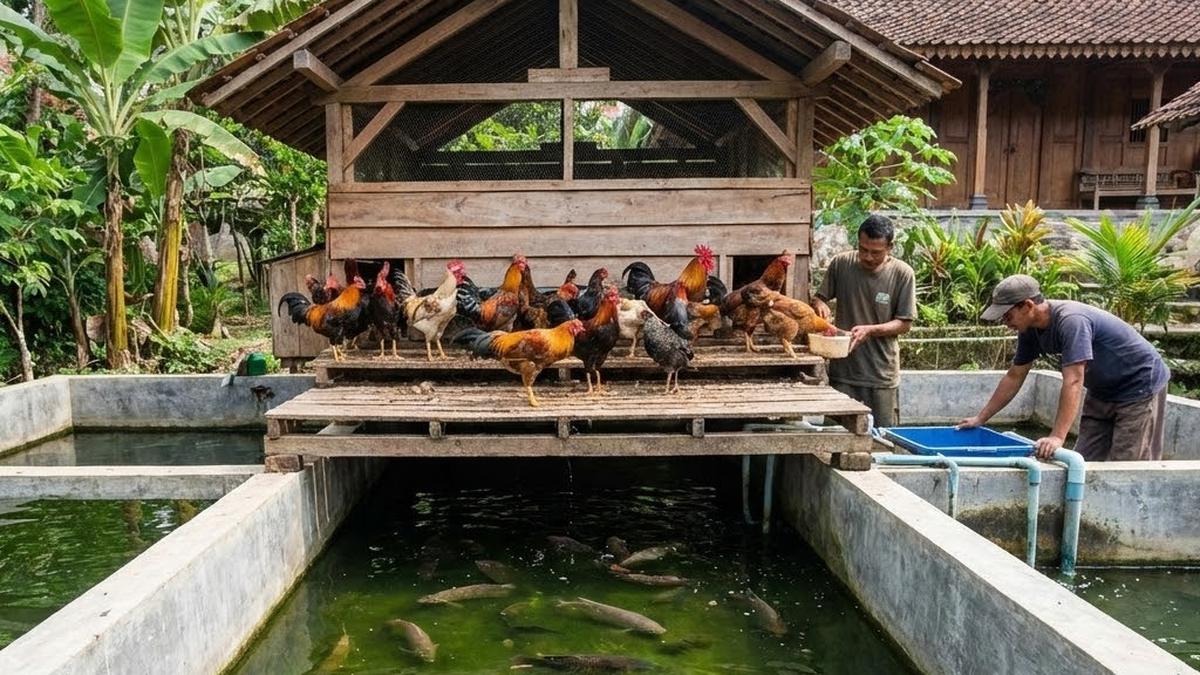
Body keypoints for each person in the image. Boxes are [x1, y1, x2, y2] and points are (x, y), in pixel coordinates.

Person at [958, 274, 1169, 461]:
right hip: (1102, 390)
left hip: (1138, 384)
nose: (1005, 322)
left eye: (1008, 316)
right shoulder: (1028, 330)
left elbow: (1074, 380)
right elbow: (1015, 376)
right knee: (1084, 460)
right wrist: (981, 418)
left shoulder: (1071, 321)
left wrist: (1057, 437)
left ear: (1028, 306)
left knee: (1126, 463)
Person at [811, 214, 915, 427]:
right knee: (836, 434)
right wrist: (819, 305)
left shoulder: (902, 274)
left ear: (890, 247)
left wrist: (870, 330)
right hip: (844, 370)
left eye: (875, 252)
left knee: (883, 435)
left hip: (881, 373)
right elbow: (819, 298)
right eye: (863, 249)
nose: (867, 257)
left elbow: (904, 323)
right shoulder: (841, 264)